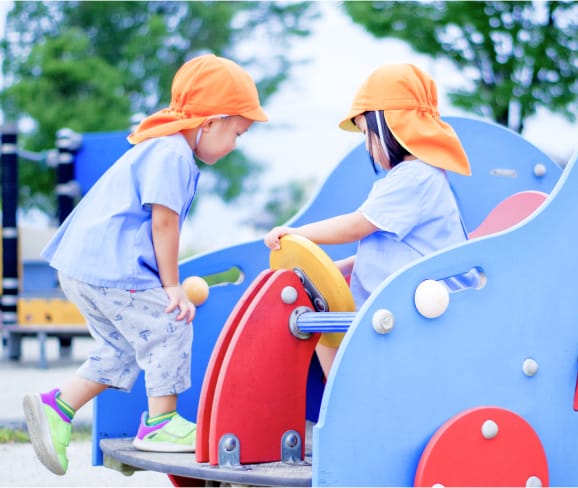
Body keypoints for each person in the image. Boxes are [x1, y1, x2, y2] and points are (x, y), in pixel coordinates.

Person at [23, 53, 268, 476]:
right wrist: (171, 287)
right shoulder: (173, 153)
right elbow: (164, 220)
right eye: (237, 133)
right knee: (171, 321)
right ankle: (159, 425)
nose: (234, 145)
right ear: (211, 122)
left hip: (84, 267)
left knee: (121, 349)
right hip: (111, 268)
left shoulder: (163, 146)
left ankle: (58, 408)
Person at [264, 63, 471, 377]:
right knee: (321, 326)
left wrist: (297, 233)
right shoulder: (413, 176)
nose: (366, 146)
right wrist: (344, 267)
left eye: (365, 133)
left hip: (416, 309)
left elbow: (356, 226)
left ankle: (340, 398)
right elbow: (388, 249)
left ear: (392, 125)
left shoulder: (415, 177)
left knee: (321, 325)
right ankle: (340, 394)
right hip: (403, 301)